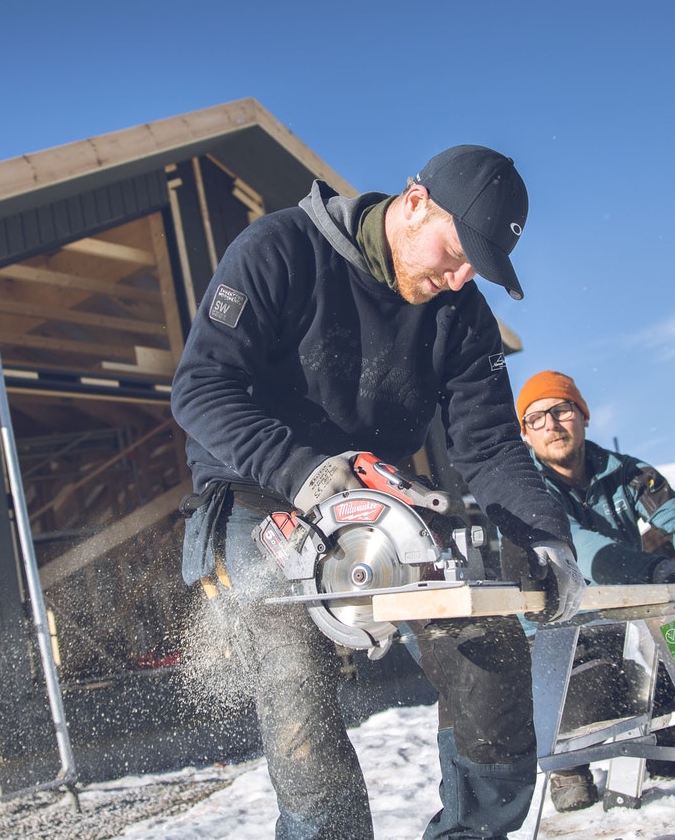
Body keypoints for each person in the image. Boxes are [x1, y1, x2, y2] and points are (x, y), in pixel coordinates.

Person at [170, 145, 585, 840]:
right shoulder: (281, 249)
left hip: (375, 504)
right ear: (415, 201)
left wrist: (547, 536)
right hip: (255, 490)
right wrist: (304, 470)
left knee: (486, 643)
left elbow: (487, 445)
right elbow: (200, 387)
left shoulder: (460, 313)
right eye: (454, 254)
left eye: (474, 269)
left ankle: (476, 828)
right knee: (296, 692)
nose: (458, 278)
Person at [514, 370, 675, 813]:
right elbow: (581, 550)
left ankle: (660, 739)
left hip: (631, 621)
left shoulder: (629, 475)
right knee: (597, 692)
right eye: (536, 418)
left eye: (561, 409)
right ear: (525, 434)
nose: (551, 424)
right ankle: (568, 762)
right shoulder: (526, 490)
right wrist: (659, 570)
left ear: (583, 415)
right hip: (561, 641)